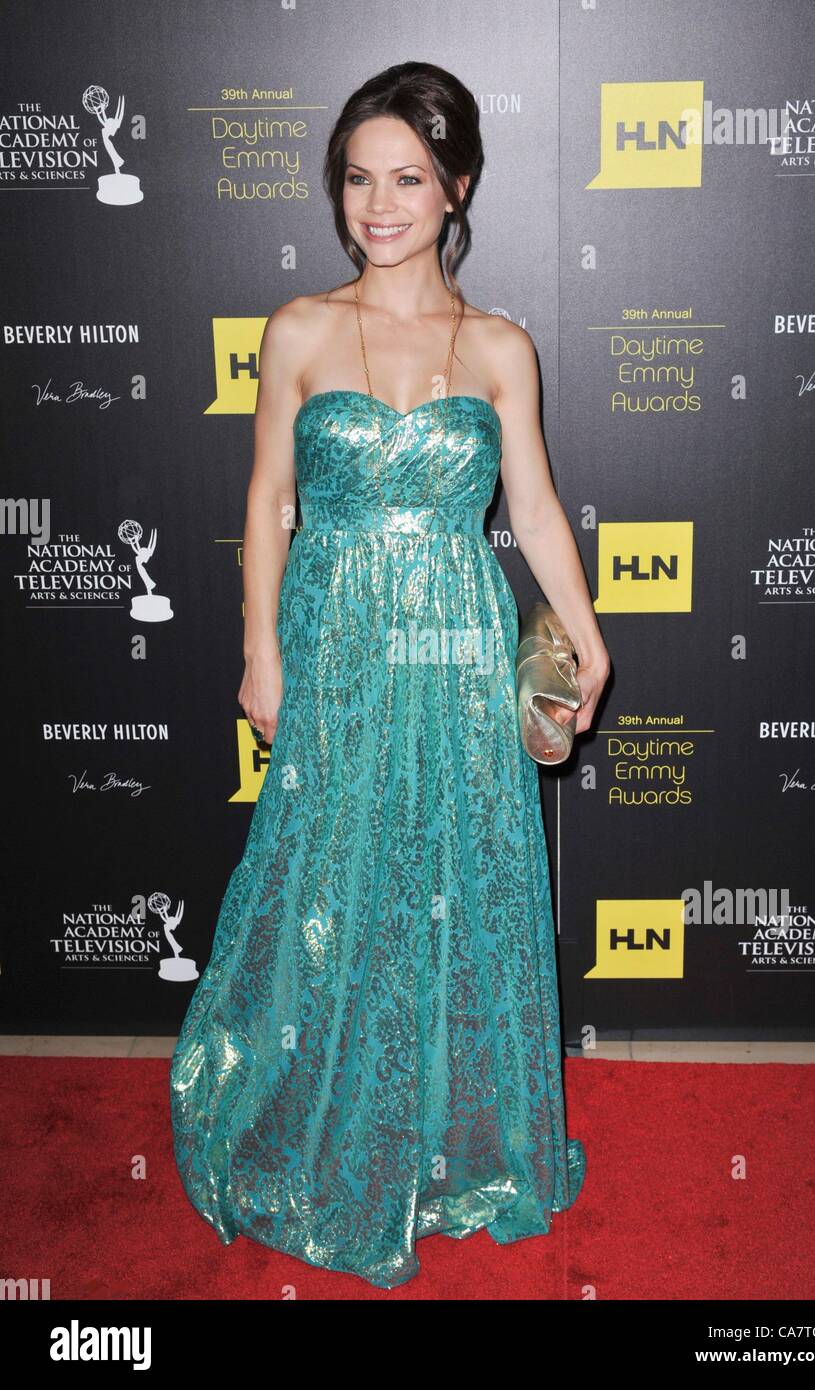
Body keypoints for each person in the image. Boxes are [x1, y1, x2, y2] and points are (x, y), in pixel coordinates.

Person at [170, 60, 610, 1290]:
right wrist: (260, 648)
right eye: (358, 180)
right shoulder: (300, 328)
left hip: (460, 646)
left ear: (455, 186)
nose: (379, 204)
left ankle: (446, 1145)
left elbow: (529, 502)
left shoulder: (502, 345)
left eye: (407, 179)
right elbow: (266, 500)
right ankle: (305, 1121)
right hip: (336, 640)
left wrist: (587, 630)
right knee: (329, 874)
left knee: (454, 875)